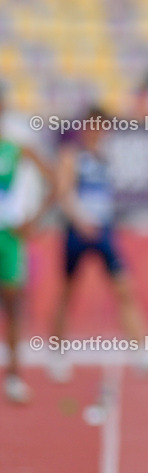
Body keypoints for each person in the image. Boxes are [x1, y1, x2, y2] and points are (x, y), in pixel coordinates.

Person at [51, 106, 148, 377]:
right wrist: (81, 220)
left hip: (104, 231)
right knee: (68, 292)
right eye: (97, 126)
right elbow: (63, 193)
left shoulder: (105, 158)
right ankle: (57, 353)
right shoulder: (72, 156)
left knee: (124, 288)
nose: (101, 132)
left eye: (105, 127)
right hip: (77, 231)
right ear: (87, 127)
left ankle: (141, 353)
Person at [0, 94, 56, 403]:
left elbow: (54, 180)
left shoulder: (16, 146)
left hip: (8, 236)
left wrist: (34, 220)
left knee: (13, 308)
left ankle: (14, 377)